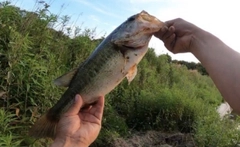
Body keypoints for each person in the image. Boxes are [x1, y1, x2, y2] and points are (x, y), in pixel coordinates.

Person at [51, 18, 240, 146]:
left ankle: (51, 121)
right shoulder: (119, 46)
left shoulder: (127, 48)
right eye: (132, 21)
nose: (140, 20)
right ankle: (51, 119)